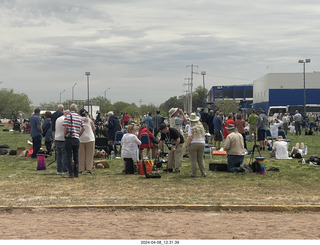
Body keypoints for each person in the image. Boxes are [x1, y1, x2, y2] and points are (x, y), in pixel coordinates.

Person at [63, 104, 85, 178]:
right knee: (76, 156)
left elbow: (66, 127)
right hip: (76, 138)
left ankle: (70, 172)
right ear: (76, 109)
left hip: (69, 138)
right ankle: (76, 172)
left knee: (69, 155)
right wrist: (78, 135)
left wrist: (64, 136)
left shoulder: (67, 116)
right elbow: (83, 128)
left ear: (69, 109)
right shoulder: (80, 117)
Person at [185, 113, 207, 178]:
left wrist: (187, 145)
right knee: (200, 158)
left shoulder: (190, 127)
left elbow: (190, 138)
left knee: (193, 159)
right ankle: (203, 173)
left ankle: (194, 173)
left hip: (193, 143)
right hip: (202, 143)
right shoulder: (201, 127)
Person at [79, 109, 96, 175]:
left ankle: (80, 169)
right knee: (89, 154)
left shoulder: (78, 119)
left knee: (81, 155)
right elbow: (94, 128)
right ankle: (89, 169)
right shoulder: (89, 120)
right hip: (90, 138)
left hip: (81, 138)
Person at [54, 110, 69, 175]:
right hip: (63, 138)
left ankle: (58, 170)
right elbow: (66, 128)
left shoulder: (58, 119)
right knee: (64, 154)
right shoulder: (65, 119)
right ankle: (65, 170)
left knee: (58, 155)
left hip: (57, 138)